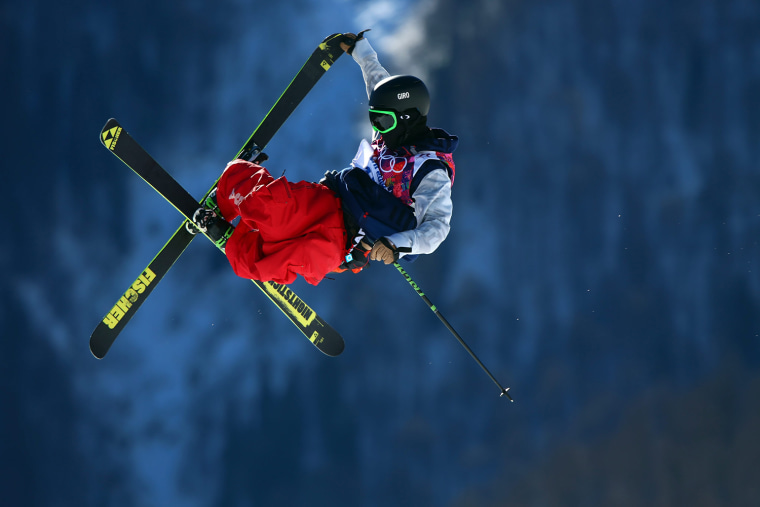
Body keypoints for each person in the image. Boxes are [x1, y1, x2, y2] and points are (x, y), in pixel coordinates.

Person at [191, 32, 458, 286]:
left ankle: (228, 239)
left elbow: (437, 229)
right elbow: (377, 82)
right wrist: (362, 51)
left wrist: (396, 245)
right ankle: (232, 187)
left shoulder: (430, 170)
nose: (377, 126)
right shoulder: (394, 132)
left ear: (407, 119)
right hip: (329, 203)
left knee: (276, 264)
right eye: (374, 118)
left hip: (345, 245)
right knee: (271, 212)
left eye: (383, 121)